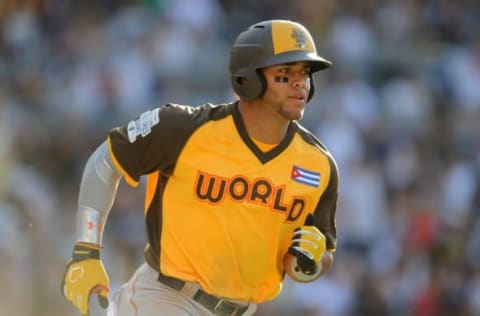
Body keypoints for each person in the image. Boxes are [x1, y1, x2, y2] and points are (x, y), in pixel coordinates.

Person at [61, 19, 339, 316]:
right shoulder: (184, 128)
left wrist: (311, 264)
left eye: (305, 73)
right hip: (166, 297)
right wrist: (86, 252)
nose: (300, 83)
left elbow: (316, 257)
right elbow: (106, 161)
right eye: (285, 74)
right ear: (248, 78)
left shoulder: (318, 165)